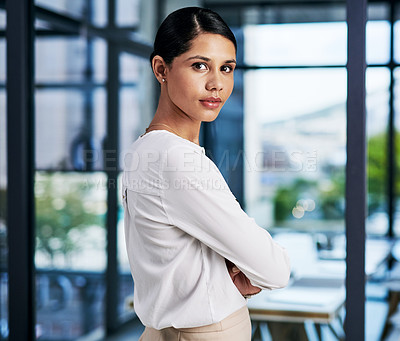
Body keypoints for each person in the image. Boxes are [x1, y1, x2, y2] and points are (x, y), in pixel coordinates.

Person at [122, 7, 290, 341]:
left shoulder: (143, 149)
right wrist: (241, 270)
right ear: (161, 69)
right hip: (208, 332)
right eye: (200, 65)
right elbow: (275, 269)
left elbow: (174, 258)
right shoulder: (176, 159)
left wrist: (221, 276)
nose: (216, 83)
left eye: (226, 68)